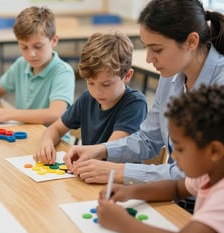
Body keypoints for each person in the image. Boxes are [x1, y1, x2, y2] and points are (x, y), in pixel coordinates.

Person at [63, 0, 224, 186]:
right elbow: (148, 139)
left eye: (157, 49)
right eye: (146, 47)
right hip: (175, 192)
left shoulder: (219, 85)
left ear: (191, 42)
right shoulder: (171, 73)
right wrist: (101, 150)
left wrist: (120, 171)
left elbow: (199, 174)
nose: (148, 59)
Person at [97, 84, 224, 233]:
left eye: (181, 149)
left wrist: (124, 223)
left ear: (214, 151)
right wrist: (129, 192)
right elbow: (176, 188)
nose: (174, 156)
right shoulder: (210, 173)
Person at [34, 32, 147, 164]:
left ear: (127, 76)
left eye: (106, 84)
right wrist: (47, 142)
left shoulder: (135, 104)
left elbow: (108, 151)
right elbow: (55, 128)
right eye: (90, 83)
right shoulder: (87, 98)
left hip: (117, 180)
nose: (97, 92)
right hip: (91, 175)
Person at [0, 6, 75, 127]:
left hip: (53, 140)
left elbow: (55, 114)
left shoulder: (63, 72)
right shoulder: (21, 64)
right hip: (25, 132)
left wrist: (10, 114)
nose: (31, 54)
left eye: (38, 46)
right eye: (24, 47)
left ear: (54, 41)